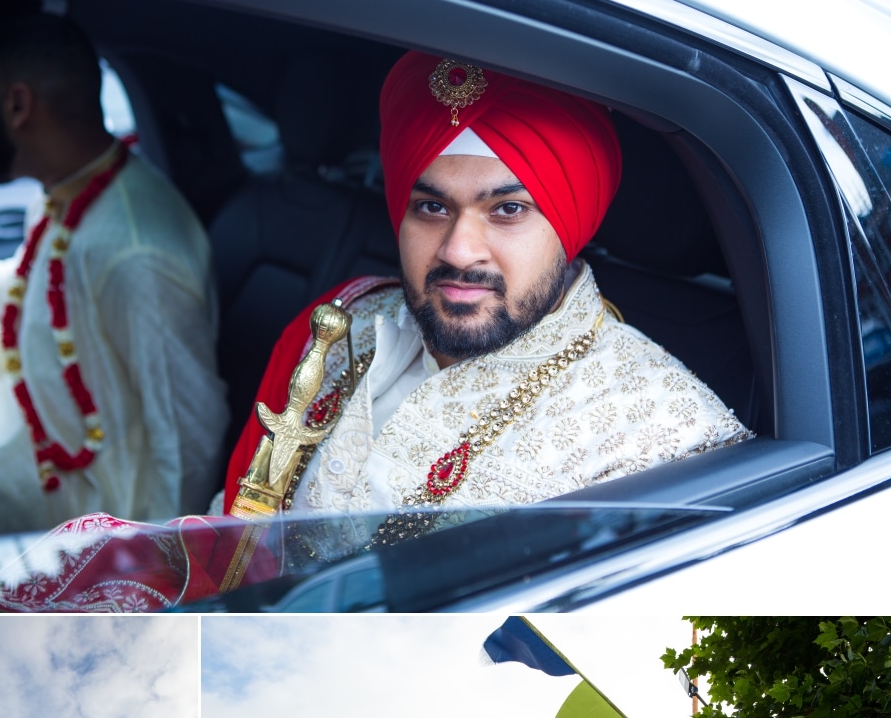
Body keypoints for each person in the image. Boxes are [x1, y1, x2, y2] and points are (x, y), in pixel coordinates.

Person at [222, 50, 751, 515]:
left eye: (508, 210)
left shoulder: (666, 443)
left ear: (570, 229)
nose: (457, 250)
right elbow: (231, 532)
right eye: (431, 206)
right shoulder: (342, 322)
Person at [0, 12, 227, 542]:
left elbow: (188, 437)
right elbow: (22, 284)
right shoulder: (70, 190)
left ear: (19, 106)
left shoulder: (136, 255)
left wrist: (151, 570)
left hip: (72, 486)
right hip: (16, 394)